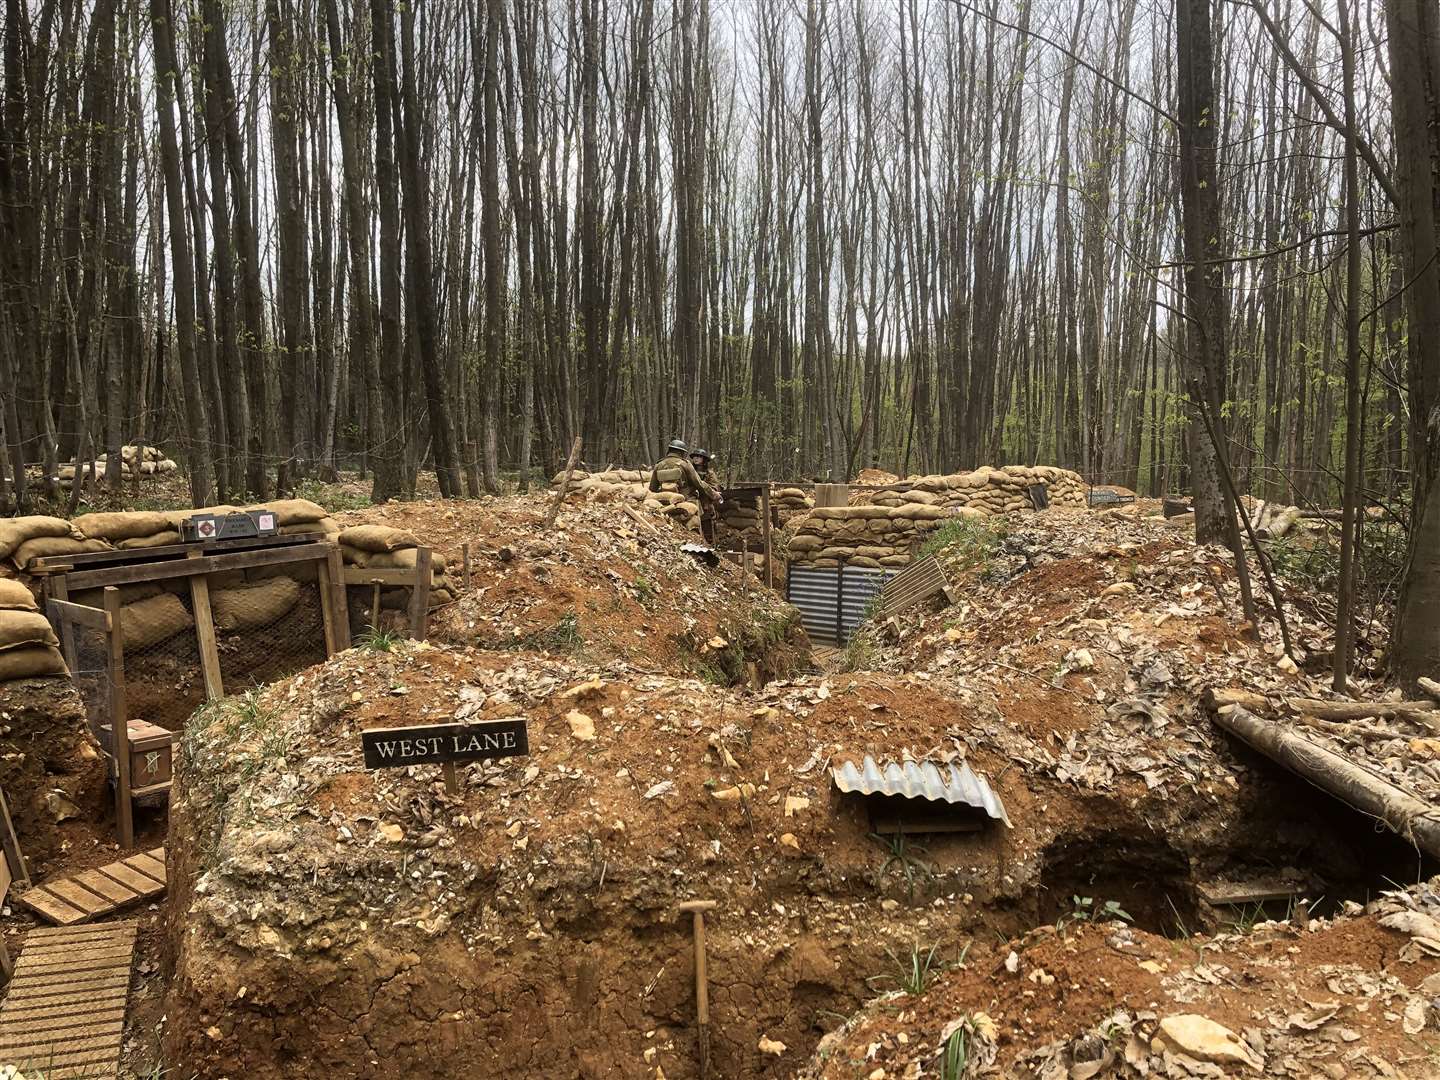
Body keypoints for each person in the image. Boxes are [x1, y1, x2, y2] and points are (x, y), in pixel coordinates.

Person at [649, 438, 720, 532]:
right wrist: (714, 495)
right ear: (681, 452)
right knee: (698, 519)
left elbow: (652, 488)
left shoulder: (659, 464)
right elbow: (699, 484)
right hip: (686, 499)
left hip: (665, 500)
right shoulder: (685, 464)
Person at [689, 448, 721, 543]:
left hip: (705, 504)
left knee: (707, 529)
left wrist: (703, 488)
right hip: (692, 501)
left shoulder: (709, 473)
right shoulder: (689, 470)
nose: (696, 458)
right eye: (695, 456)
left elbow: (715, 489)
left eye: (699, 457)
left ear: (704, 459)